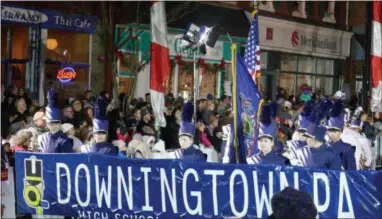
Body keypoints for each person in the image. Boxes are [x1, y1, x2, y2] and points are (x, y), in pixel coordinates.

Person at [37, 89, 73, 153]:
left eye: (55, 123)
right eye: (50, 123)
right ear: (47, 123)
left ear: (59, 123)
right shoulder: (43, 137)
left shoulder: (65, 140)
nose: (52, 125)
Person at [326, 100, 356, 170]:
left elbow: (352, 174)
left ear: (340, 132)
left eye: (336, 131)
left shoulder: (348, 149)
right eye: (330, 131)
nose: (332, 134)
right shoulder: (324, 147)